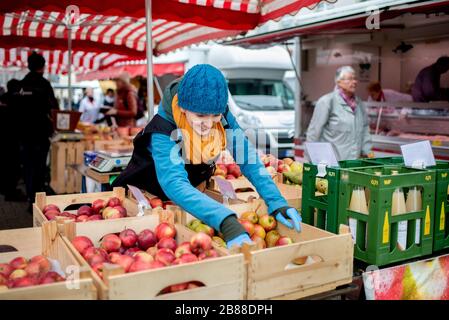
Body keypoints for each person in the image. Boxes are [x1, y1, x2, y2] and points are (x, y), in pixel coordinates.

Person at [112, 64, 301, 248]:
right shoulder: (162, 129)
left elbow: (247, 157)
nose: (209, 124)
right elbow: (174, 182)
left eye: (215, 115)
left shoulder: (223, 117)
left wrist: (276, 201)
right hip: (146, 202)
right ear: (183, 108)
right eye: (201, 116)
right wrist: (225, 220)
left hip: (191, 203)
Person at [18, 52, 59, 208]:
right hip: (41, 133)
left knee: (28, 166)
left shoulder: (21, 84)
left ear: (29, 66)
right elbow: (54, 109)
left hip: (23, 134)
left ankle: (30, 198)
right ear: (43, 67)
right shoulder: (44, 84)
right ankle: (38, 200)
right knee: (40, 166)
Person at [306, 66, 372, 160]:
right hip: (332, 163)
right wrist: (309, 160)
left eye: (355, 78)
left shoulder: (359, 103)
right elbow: (314, 132)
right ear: (339, 82)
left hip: (353, 164)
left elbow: (365, 128)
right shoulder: (327, 101)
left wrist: (367, 151)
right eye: (350, 79)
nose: (354, 82)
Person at [0, 80, 26, 201]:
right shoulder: (18, 100)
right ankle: (11, 193)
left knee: (5, 165)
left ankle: (6, 189)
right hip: (13, 140)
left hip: (4, 139)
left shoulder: (3, 98)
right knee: (13, 167)